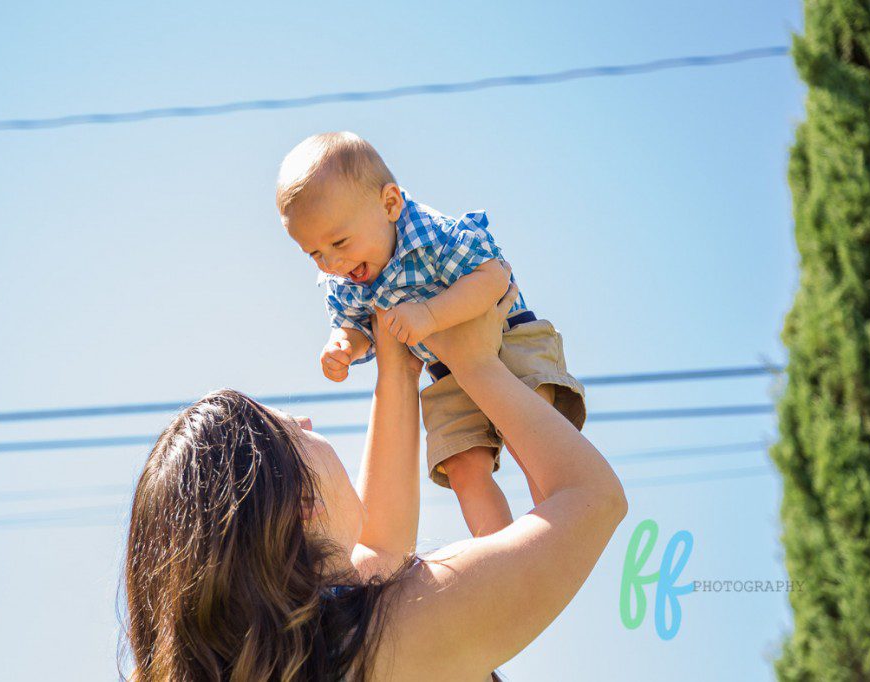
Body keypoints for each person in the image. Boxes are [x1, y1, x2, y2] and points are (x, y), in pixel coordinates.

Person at [121, 283, 627, 681]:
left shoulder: (323, 651)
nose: (307, 422)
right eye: (294, 430)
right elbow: (591, 498)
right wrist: (475, 364)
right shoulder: (397, 630)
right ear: (302, 502)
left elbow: (380, 549)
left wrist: (397, 367)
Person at [276, 131, 587, 537]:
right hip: (446, 370)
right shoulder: (345, 279)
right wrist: (343, 347)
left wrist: (429, 314)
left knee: (527, 435)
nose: (332, 262)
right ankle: (501, 550)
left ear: (390, 204)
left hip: (507, 337)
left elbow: (493, 276)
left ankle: (562, 530)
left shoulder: (431, 235)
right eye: (315, 253)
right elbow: (356, 326)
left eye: (339, 242)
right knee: (460, 464)